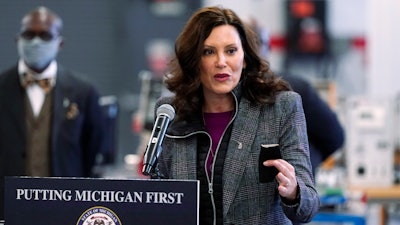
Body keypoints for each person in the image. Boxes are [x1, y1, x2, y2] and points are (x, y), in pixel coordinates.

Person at [150, 6, 319, 225]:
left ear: (245, 58)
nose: (221, 62)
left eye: (231, 51)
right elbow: (160, 199)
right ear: (194, 60)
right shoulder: (170, 112)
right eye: (209, 51)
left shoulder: (281, 107)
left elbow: (308, 207)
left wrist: (294, 191)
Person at [0, 6, 106, 219]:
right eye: (29, 34)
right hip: (7, 206)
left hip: (65, 209)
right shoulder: (1, 87)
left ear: (60, 42)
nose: (36, 42)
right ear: (18, 39)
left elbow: (93, 150)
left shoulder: (84, 91)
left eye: (45, 35)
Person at [246, 18, 345, 176]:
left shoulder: (294, 89)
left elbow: (334, 136)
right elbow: (335, 137)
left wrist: (306, 160)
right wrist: (307, 162)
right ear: (267, 48)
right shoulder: (296, 87)